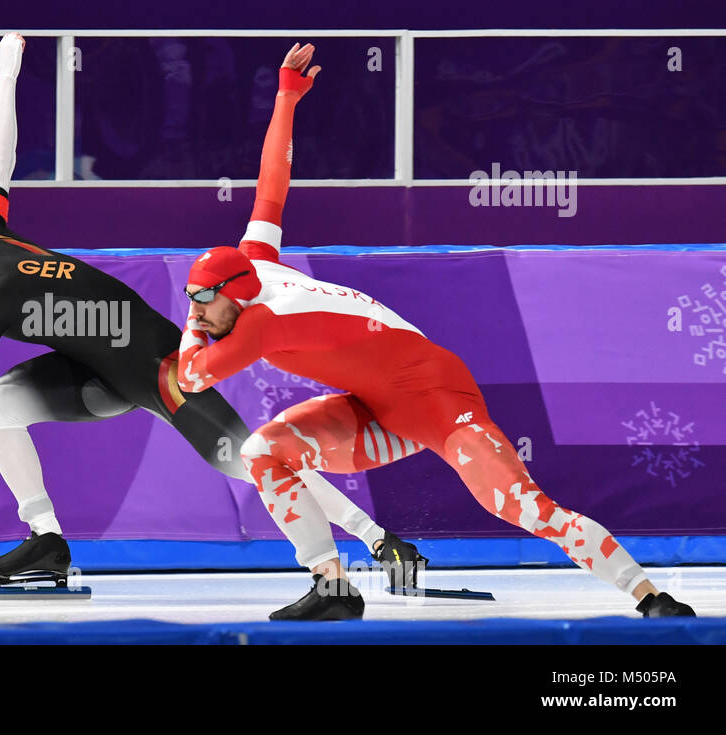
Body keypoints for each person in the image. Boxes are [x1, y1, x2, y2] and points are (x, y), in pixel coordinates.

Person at [176, 43, 696, 620]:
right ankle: (333, 589)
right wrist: (286, 97)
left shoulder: (261, 324)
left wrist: (189, 327)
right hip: (375, 407)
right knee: (264, 453)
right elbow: (273, 180)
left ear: (237, 294)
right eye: (192, 299)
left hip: (441, 403)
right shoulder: (256, 259)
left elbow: (192, 378)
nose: (197, 309)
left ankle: (653, 598)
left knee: (526, 508)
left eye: (203, 299)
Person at [0, 34, 424, 588]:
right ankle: (46, 539)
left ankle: (378, 540)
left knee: (249, 456)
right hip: (93, 368)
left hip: (156, 367)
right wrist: (7, 74)